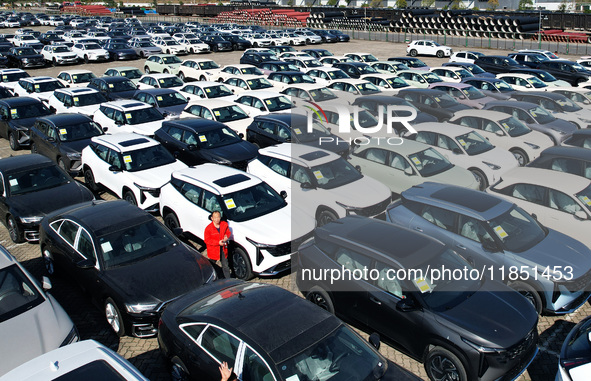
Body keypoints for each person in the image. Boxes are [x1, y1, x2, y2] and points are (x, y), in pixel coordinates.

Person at [204, 210, 231, 278]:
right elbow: (207, 240)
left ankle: (228, 280)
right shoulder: (208, 229)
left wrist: (226, 237)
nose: (217, 219)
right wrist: (217, 243)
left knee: (225, 266)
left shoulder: (224, 224)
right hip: (213, 250)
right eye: (215, 217)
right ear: (212, 218)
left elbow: (228, 232)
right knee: (212, 266)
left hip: (223, 249)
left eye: (218, 217)